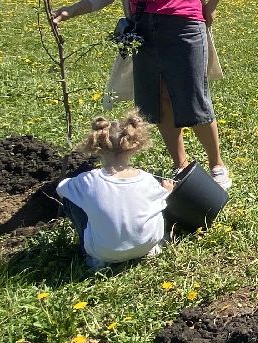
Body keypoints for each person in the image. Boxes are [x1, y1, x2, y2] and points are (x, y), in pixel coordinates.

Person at [52, 0, 237, 189]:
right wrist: (73, 9)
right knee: (159, 98)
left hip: (184, 27)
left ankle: (217, 165)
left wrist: (209, 7)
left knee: (194, 98)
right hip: (142, 31)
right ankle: (182, 164)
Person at [56, 112, 173, 270]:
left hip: (102, 252)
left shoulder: (88, 180)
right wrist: (166, 190)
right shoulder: (146, 179)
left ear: (98, 146)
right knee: (156, 203)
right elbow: (161, 198)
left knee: (71, 199)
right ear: (134, 146)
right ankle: (154, 246)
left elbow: (61, 189)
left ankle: (93, 258)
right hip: (147, 245)